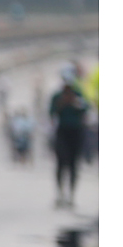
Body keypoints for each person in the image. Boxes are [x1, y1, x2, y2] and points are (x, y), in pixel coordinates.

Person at [50, 75, 89, 208]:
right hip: (62, 132)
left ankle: (71, 195)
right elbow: (52, 113)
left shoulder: (78, 95)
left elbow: (85, 109)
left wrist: (74, 103)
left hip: (76, 133)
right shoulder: (57, 97)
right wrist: (62, 103)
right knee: (61, 164)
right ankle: (60, 194)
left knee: (73, 165)